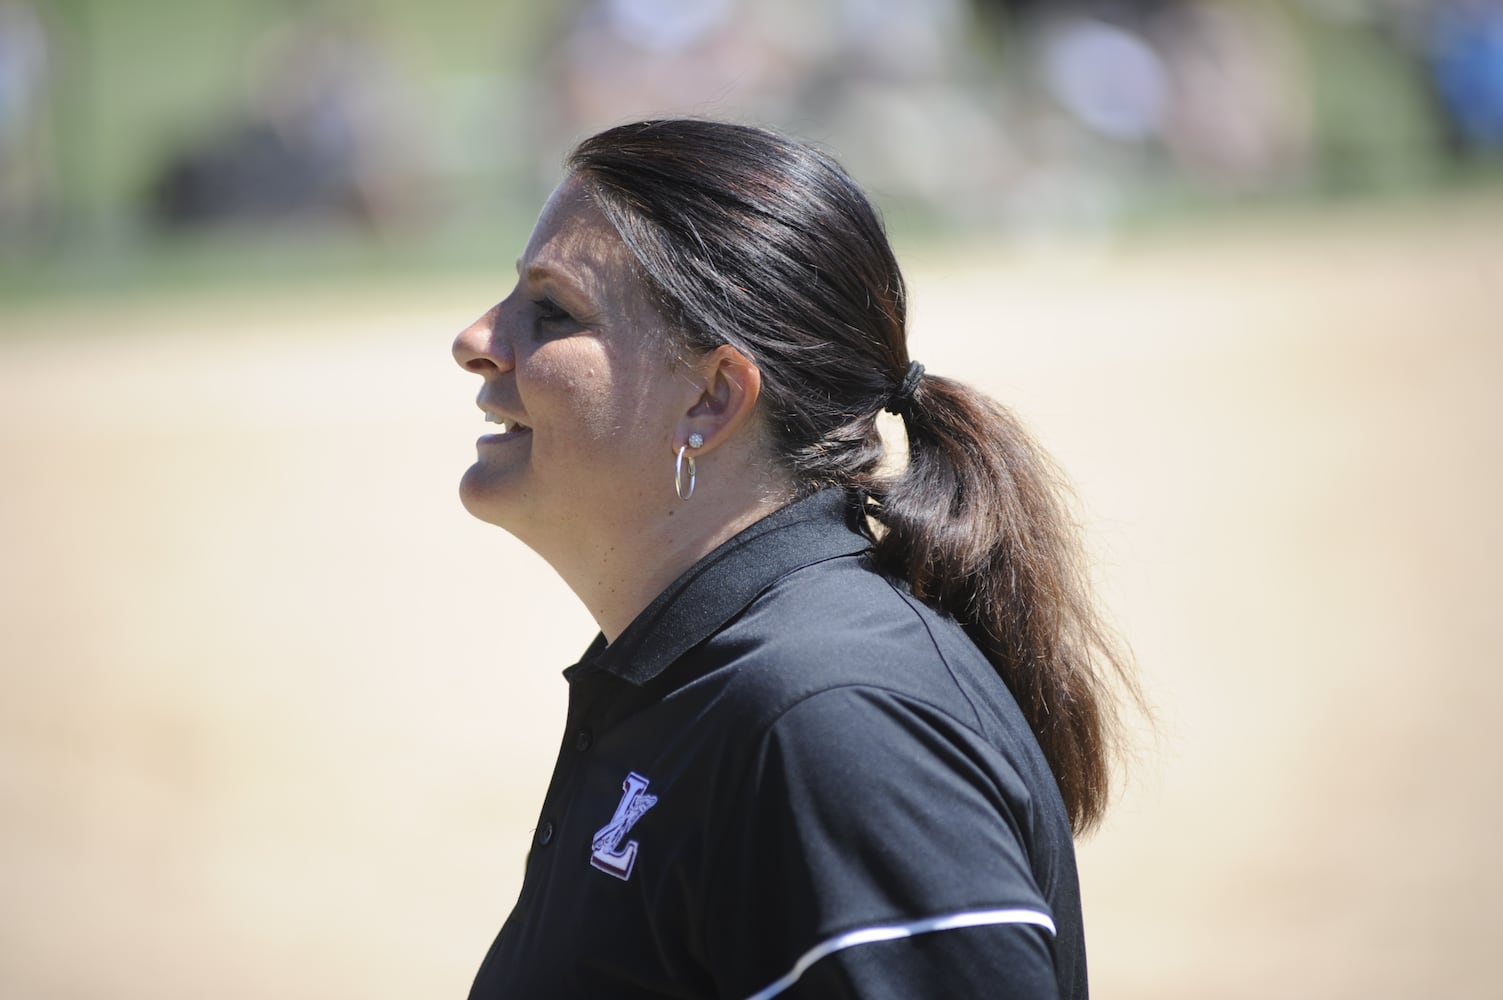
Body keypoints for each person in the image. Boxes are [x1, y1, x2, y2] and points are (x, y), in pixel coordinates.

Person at [451, 118, 1139, 999]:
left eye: (551, 309)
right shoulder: (710, 677)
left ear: (711, 398)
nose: (478, 338)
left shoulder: (832, 722)